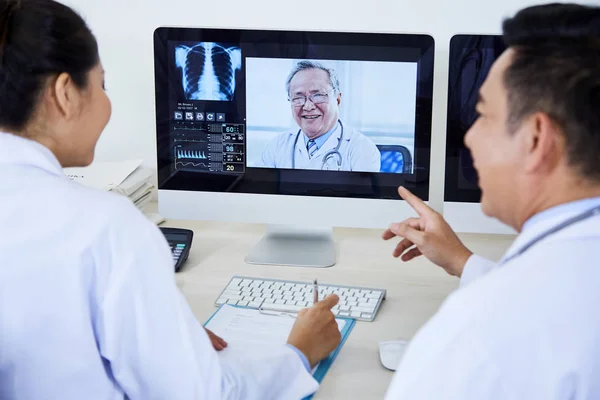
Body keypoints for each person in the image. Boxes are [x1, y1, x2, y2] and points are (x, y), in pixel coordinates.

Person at [0, 1, 342, 399]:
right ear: (65, 94)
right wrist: (299, 353)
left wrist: (161, 330)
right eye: (101, 85)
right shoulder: (106, 227)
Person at [382, 3, 600, 399]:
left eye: (483, 116)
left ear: (536, 139)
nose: (469, 137)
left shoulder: (476, 336)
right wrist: (462, 262)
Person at [260, 60, 381, 172]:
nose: (307, 106)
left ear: (337, 99)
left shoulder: (362, 149)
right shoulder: (276, 147)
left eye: (318, 95)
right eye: (298, 97)